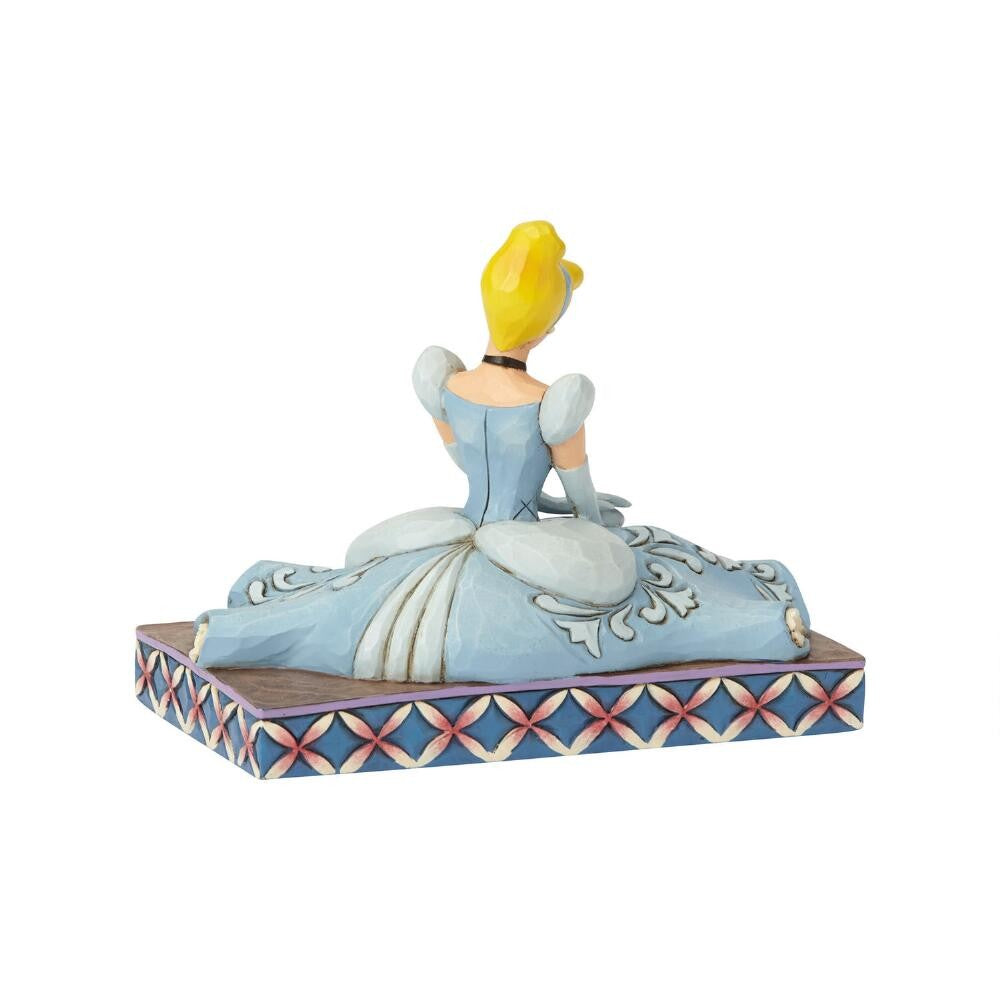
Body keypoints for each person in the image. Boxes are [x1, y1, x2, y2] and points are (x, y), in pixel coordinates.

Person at [191, 221, 809, 683]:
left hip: (459, 524)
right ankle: (763, 627)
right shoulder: (553, 399)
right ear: (549, 320)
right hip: (519, 538)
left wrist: (537, 497)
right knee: (632, 593)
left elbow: (467, 462)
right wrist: (587, 518)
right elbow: (582, 494)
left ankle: (237, 630)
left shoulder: (449, 383)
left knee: (352, 591)